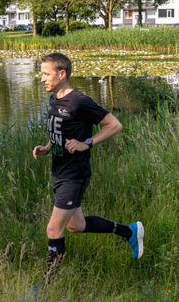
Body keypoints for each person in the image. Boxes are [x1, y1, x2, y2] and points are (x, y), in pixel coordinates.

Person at [31, 52, 143, 276]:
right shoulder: (55, 99)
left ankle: (46, 287)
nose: (41, 78)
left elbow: (114, 125)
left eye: (46, 74)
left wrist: (87, 143)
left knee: (54, 229)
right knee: (76, 226)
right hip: (59, 171)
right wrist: (48, 146)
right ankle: (129, 232)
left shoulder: (79, 101)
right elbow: (61, 130)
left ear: (61, 74)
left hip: (75, 175)